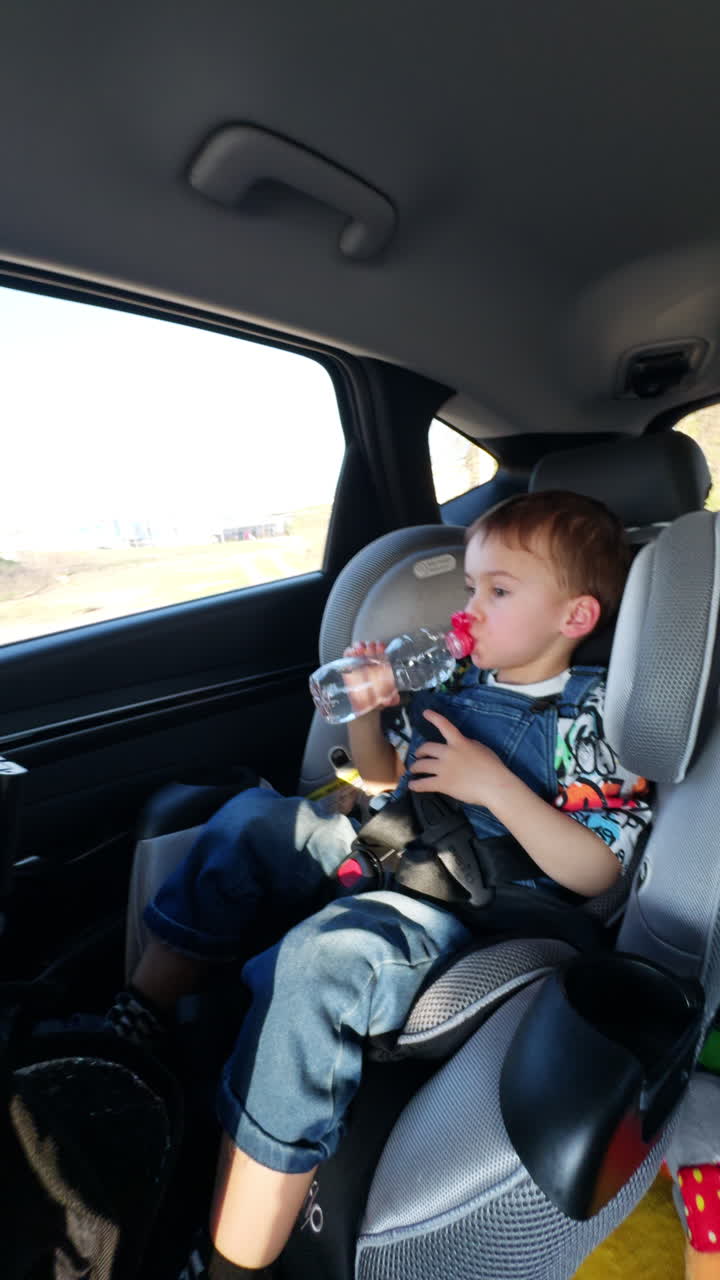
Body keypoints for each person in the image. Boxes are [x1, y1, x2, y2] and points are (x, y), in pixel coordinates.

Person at [107, 490, 652, 1279]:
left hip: (476, 905)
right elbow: (380, 776)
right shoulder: (458, 677)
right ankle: (143, 1014)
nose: (471, 609)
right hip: (390, 841)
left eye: (498, 591)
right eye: (470, 588)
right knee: (253, 821)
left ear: (575, 617)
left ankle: (233, 1258)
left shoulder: (591, 715)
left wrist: (497, 787)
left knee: (323, 958)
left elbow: (600, 866)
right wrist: (369, 708)